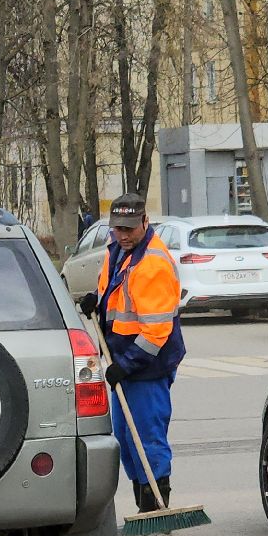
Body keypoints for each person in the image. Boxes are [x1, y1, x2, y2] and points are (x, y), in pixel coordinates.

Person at [77, 193, 186, 514]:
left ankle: (154, 508)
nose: (123, 234)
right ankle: (145, 502)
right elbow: (114, 292)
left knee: (147, 439)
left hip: (146, 366)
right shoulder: (118, 251)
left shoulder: (152, 263)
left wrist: (125, 365)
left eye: (129, 228)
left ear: (145, 223)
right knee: (127, 440)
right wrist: (95, 299)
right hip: (122, 362)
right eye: (117, 228)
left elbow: (155, 331)